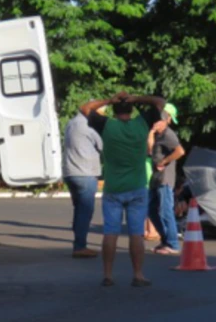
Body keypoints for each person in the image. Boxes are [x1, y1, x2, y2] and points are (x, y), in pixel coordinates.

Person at [80, 91, 165, 288]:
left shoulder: (107, 126)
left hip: (113, 188)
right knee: (136, 234)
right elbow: (160, 102)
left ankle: (108, 275)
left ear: (115, 110)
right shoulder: (141, 124)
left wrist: (109, 100)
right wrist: (138, 98)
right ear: (132, 109)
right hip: (137, 186)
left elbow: (85, 108)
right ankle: (138, 274)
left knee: (111, 233)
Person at [62, 109, 104, 258]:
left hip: (70, 172)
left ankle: (78, 243)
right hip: (85, 173)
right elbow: (102, 145)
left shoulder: (71, 123)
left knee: (79, 210)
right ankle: (80, 246)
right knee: (85, 211)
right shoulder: (89, 126)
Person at [147, 105, 185, 255]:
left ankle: (173, 244)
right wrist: (151, 132)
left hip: (165, 179)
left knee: (165, 210)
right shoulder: (159, 135)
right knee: (151, 209)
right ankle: (165, 240)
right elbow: (149, 150)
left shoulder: (169, 134)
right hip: (156, 178)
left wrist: (164, 161)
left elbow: (180, 151)